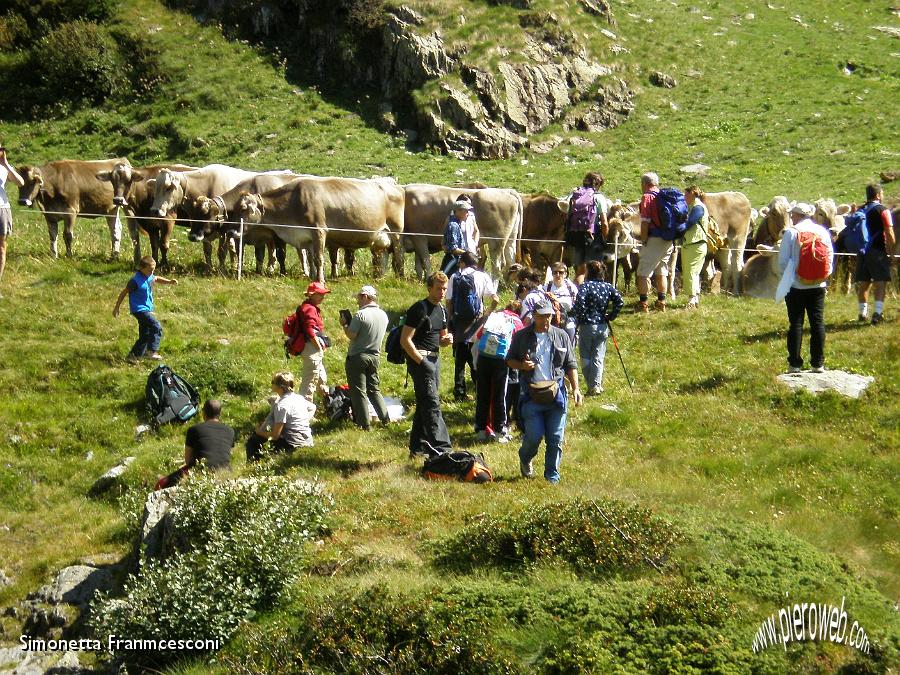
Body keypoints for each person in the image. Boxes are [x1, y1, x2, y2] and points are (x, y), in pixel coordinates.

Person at [506, 300, 583, 483]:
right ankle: (525, 458)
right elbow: (509, 360)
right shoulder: (522, 336)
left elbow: (570, 364)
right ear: (533, 316)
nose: (545, 320)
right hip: (531, 396)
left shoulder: (561, 335)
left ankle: (552, 478)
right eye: (541, 316)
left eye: (548, 316)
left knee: (555, 438)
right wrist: (522, 365)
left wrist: (576, 388)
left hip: (556, 396)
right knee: (533, 436)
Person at [401, 272, 454, 457]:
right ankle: (442, 449)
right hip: (420, 359)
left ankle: (417, 448)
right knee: (432, 403)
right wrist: (421, 362)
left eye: (445, 289)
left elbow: (441, 338)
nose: (441, 292)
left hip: (435, 359)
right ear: (429, 288)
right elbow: (405, 340)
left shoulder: (442, 310)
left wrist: (447, 340)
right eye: (438, 288)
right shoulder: (419, 309)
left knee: (425, 402)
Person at [777, 203, 834, 373]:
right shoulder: (822, 231)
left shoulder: (791, 232)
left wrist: (790, 277)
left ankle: (794, 364)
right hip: (818, 284)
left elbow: (782, 261)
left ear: (796, 215)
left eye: (792, 214)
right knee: (817, 322)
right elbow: (830, 256)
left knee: (796, 323)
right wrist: (823, 276)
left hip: (796, 285)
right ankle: (818, 363)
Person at [446, 251, 499, 400]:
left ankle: (459, 392)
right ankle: (480, 388)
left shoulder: (455, 277)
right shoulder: (482, 276)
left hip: (459, 323)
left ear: (463, 262)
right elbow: (496, 299)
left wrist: (450, 321)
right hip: (477, 323)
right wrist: (487, 313)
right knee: (476, 358)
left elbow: (449, 302)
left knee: (460, 361)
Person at [472, 300, 524, 443]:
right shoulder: (516, 321)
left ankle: (481, 429)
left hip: (483, 357)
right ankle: (499, 431)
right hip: (500, 361)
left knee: (482, 393)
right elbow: (519, 343)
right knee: (499, 396)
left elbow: (478, 336)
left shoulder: (494, 316)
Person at [570, 260, 624, 395]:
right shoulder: (608, 286)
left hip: (587, 325)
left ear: (588, 272)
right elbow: (620, 301)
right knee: (598, 356)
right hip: (602, 325)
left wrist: (579, 315)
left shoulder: (586, 286)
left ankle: (592, 385)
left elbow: (580, 302)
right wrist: (611, 316)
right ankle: (596, 385)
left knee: (585, 356)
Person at [340, 284, 390, 429]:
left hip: (358, 356)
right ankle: (385, 419)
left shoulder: (360, 314)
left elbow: (352, 335)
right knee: (374, 389)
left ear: (365, 296)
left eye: (359, 297)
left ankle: (364, 424)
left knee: (358, 392)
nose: (358, 301)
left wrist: (344, 325)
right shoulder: (383, 315)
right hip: (375, 356)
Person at [156, 399, 235, 489]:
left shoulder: (194, 430)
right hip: (226, 473)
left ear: (204, 413)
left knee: (161, 484)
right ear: (219, 414)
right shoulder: (230, 431)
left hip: (200, 472)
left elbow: (188, 460)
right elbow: (227, 454)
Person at [112, 255, 177, 362]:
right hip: (139, 310)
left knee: (145, 335)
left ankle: (132, 357)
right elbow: (124, 292)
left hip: (147, 309)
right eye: (150, 270)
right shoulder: (135, 281)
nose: (152, 272)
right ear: (141, 268)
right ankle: (151, 351)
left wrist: (169, 281)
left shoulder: (149, 276)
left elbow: (156, 278)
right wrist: (117, 307)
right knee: (156, 326)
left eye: (153, 270)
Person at [246, 371, 316, 461]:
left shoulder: (282, 406)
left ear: (280, 387)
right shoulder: (299, 398)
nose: (271, 384)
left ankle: (254, 466)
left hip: (293, 444)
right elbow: (312, 407)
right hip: (307, 441)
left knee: (253, 441)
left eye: (273, 382)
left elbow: (275, 436)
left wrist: (259, 432)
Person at [856, 183, 896, 325]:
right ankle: (877, 313)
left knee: (864, 283)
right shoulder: (882, 210)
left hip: (861, 251)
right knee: (880, 283)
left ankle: (862, 313)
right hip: (877, 250)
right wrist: (891, 252)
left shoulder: (860, 210)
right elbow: (889, 232)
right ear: (878, 195)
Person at [636, 171, 673, 312]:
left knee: (643, 272)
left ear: (645, 184)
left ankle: (643, 304)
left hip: (654, 238)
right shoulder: (665, 196)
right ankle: (661, 302)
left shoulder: (647, 197)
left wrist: (644, 239)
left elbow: (645, 221)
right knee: (661, 271)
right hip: (668, 239)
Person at [565, 172, 610, 285]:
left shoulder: (574, 195)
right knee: (595, 270)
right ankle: (594, 297)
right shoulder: (598, 198)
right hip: (593, 238)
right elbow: (604, 223)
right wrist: (605, 239)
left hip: (576, 236)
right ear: (598, 184)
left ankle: (576, 297)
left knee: (580, 271)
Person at [293, 281, 331, 401]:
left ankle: (326, 403)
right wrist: (319, 348)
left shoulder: (309, 307)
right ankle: (303, 413)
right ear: (311, 294)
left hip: (311, 348)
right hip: (311, 349)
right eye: (319, 294)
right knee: (309, 383)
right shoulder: (309, 309)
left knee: (321, 379)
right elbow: (310, 331)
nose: (322, 297)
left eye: (323, 294)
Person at [0, 144, 24, 299]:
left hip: (2, 208)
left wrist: (6, 164)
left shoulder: (3, 168)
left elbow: (20, 182)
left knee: (1, 247)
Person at [680, 185, 709, 309]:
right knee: (692, 272)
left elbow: (690, 223)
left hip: (695, 244)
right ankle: (695, 298)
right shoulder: (693, 206)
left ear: (692, 193)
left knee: (691, 272)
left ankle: (691, 299)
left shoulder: (698, 207)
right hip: (692, 244)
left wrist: (677, 229)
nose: (684, 197)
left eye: (686, 194)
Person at [544, 262, 579, 340]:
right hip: (552, 320)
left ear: (565, 274)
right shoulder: (547, 287)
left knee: (570, 341)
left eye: (561, 272)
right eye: (555, 272)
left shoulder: (571, 287)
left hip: (568, 319)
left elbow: (576, 303)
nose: (558, 275)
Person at [441, 199, 476, 276]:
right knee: (444, 279)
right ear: (458, 211)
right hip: (452, 260)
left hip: (457, 260)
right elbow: (453, 248)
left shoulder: (457, 224)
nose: (468, 213)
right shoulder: (453, 225)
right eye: (466, 211)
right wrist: (468, 254)